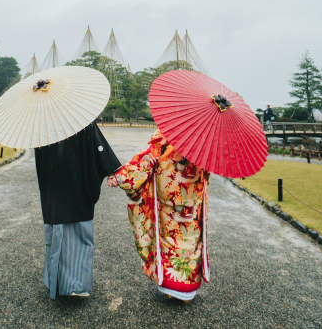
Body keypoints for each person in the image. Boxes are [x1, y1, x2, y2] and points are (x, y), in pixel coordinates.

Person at [107, 130, 209, 302]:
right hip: (193, 201)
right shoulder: (205, 139)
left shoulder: (166, 135)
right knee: (190, 240)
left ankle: (171, 284)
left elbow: (145, 161)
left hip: (170, 200)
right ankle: (188, 289)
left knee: (171, 241)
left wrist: (120, 177)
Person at [34, 122, 121, 299]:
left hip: (58, 185)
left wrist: (111, 170)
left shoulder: (45, 124)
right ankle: (72, 285)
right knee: (71, 233)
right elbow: (100, 147)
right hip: (73, 183)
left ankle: (61, 282)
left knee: (67, 231)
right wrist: (109, 169)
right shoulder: (80, 120)